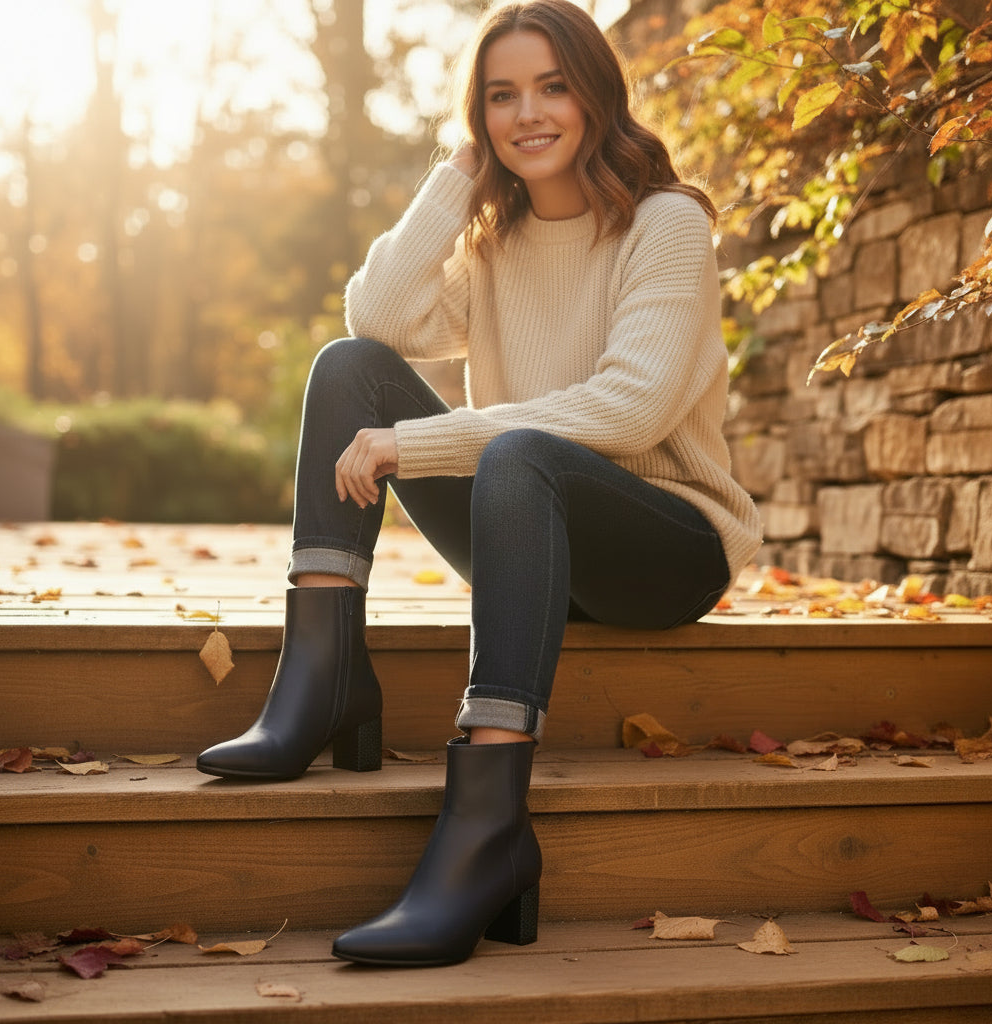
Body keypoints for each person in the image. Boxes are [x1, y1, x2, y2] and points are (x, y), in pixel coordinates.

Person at [197, 0, 761, 967]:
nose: (527, 113)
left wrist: (416, 445)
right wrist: (457, 176)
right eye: (501, 97)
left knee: (519, 450)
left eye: (552, 87)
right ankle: (324, 674)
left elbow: (629, 410)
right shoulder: (494, 240)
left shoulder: (665, 224)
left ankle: (488, 825)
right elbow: (377, 318)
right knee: (347, 367)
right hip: (525, 529)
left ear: (596, 96)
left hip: (664, 544)